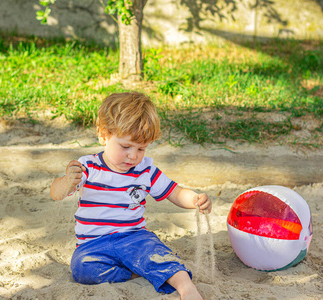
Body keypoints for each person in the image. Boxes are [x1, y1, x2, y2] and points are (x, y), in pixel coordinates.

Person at [50, 92, 212, 299]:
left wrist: (194, 199)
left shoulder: (145, 170)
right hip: (94, 244)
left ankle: (186, 287)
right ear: (104, 135)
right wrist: (66, 181)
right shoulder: (89, 166)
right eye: (125, 146)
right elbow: (55, 194)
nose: (133, 156)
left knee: (159, 256)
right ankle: (134, 272)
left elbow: (174, 192)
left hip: (134, 238)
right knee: (82, 268)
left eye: (141, 149)